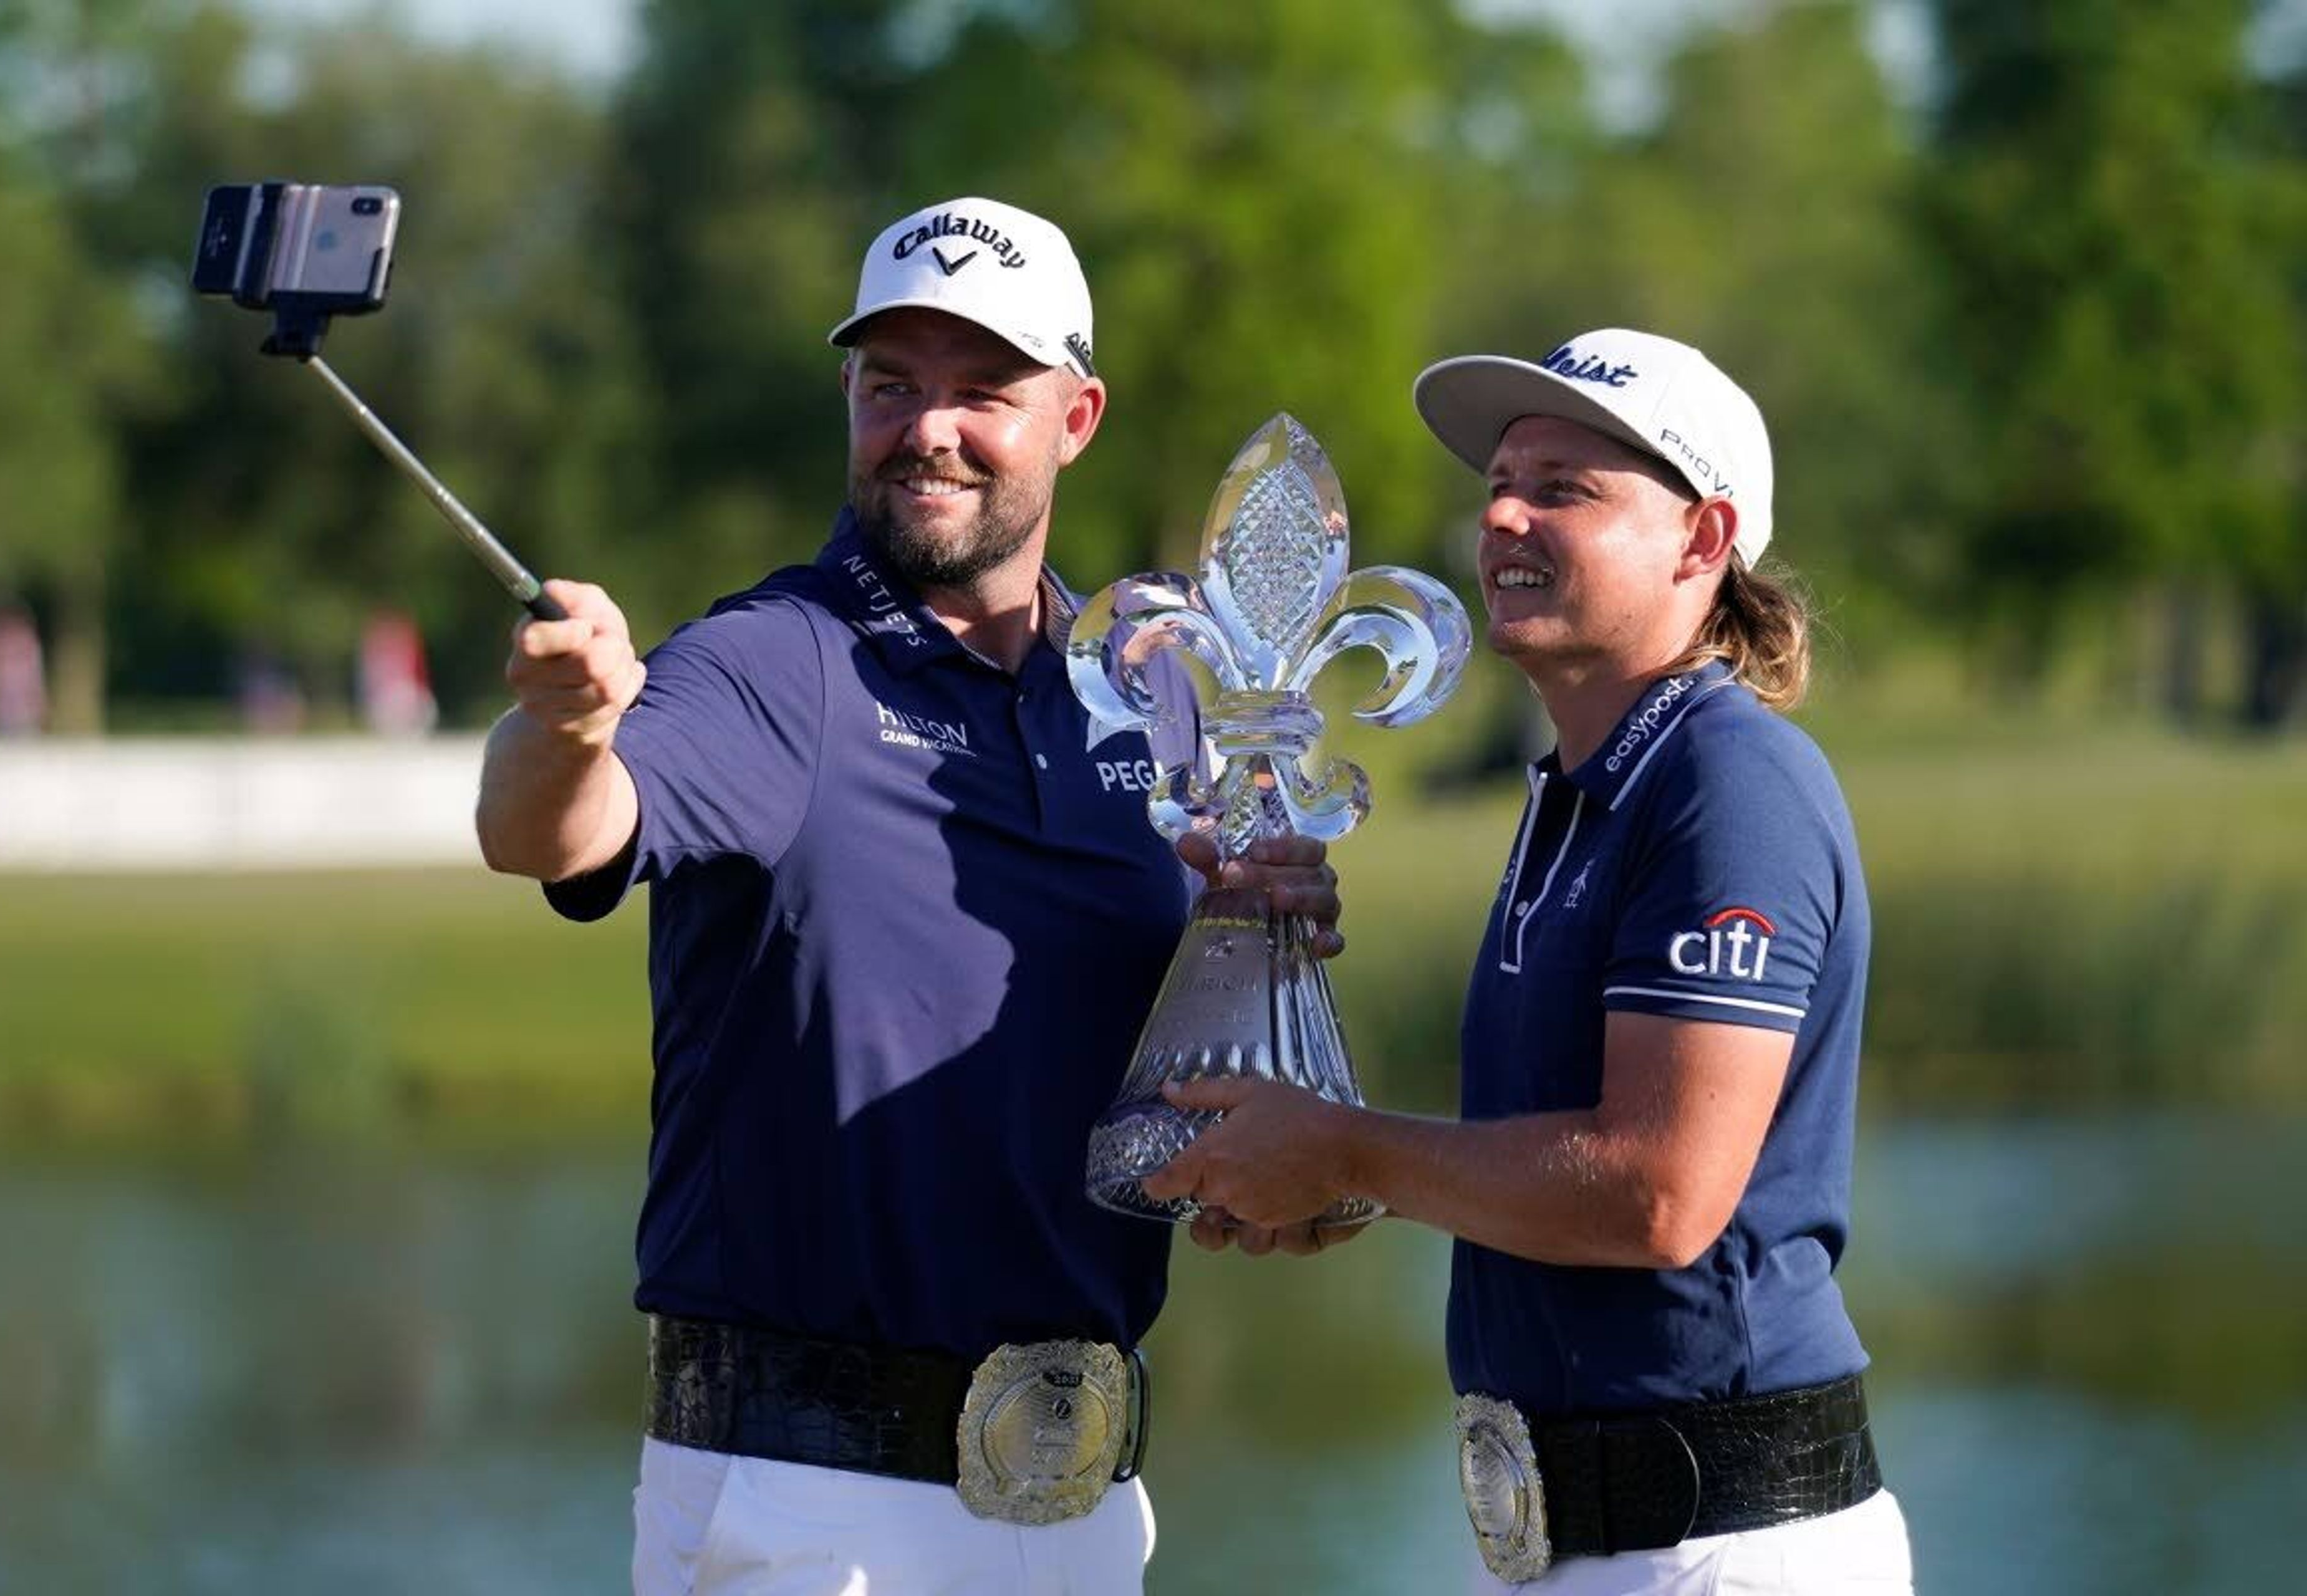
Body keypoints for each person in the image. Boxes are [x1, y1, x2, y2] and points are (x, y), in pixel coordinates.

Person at [474, 196, 1339, 1596]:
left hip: (1089, 1500)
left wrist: (1257, 959)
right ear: (850, 398)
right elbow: (554, 832)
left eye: (982, 390)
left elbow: (1148, 1036)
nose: (929, 426)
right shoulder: (776, 661)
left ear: (1077, 415)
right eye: (893, 385)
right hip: (813, 1505)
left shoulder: (1155, 683)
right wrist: (562, 724)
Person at [1140, 329, 1914, 1593]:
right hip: (1593, 1543)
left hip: (1724, 1548)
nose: (1500, 514)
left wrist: (1349, 1149)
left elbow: (1660, 1194)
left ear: (1703, 539)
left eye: (1564, 489)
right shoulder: (1582, 784)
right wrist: (1331, 1165)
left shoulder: (1731, 781)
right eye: (1499, 482)